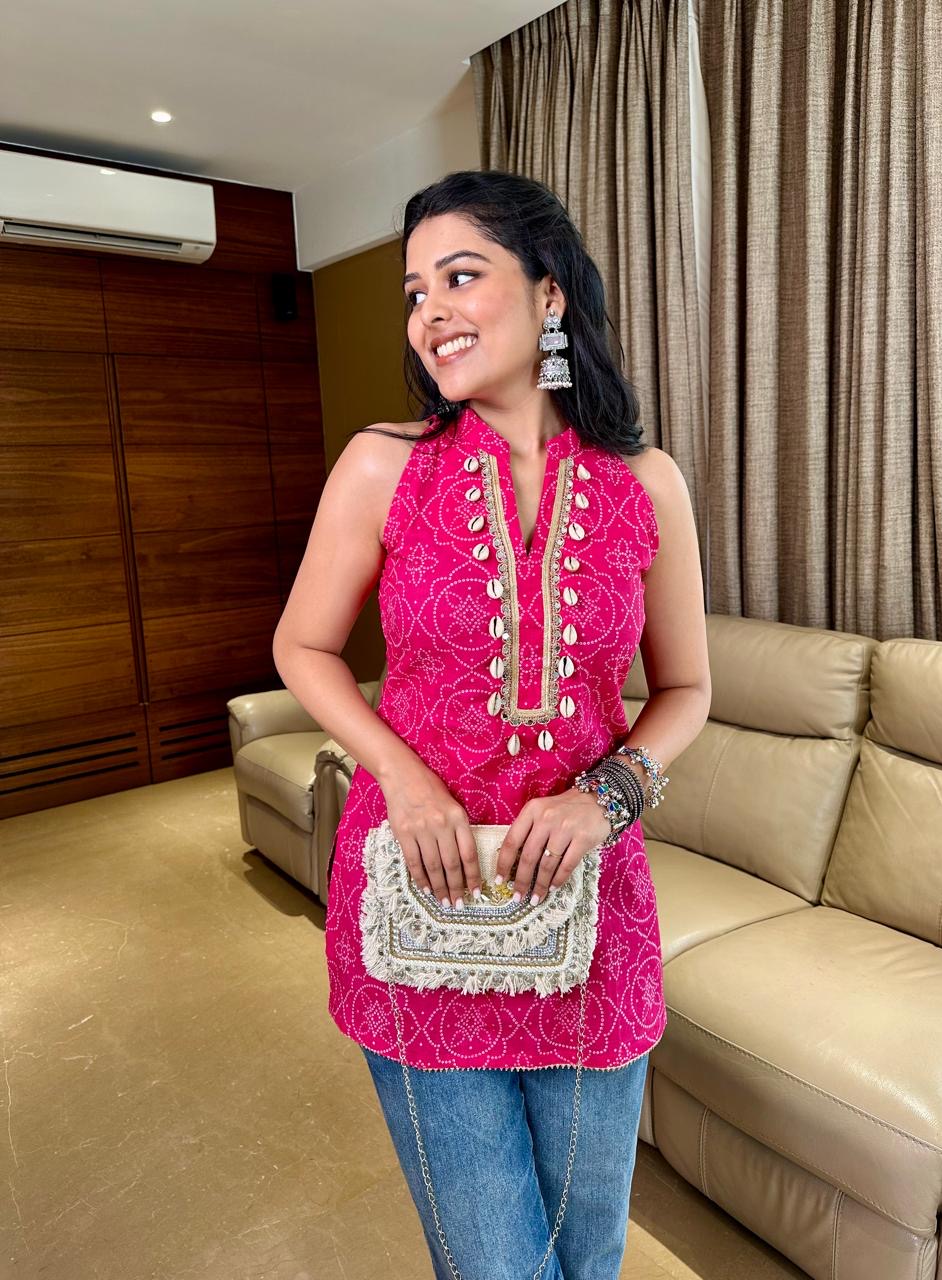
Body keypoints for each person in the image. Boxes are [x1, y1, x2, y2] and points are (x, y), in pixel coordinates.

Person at [272, 169, 710, 1280]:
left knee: (588, 1253)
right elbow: (303, 647)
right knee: (497, 1266)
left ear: (549, 291)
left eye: (460, 276)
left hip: (590, 921)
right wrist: (401, 776)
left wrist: (606, 796)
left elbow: (687, 689)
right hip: (422, 909)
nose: (431, 313)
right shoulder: (384, 464)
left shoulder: (645, 482)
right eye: (415, 292)